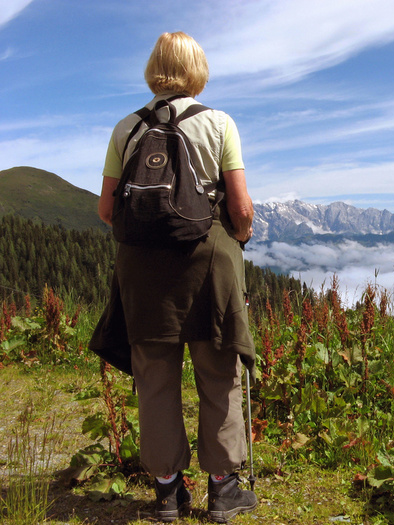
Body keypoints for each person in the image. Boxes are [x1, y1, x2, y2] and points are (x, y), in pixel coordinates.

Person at [96, 32, 257, 523]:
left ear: (153, 69)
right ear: (198, 71)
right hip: (208, 265)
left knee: (155, 377)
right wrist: (240, 236)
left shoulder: (126, 128)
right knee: (218, 372)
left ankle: (167, 493)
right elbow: (241, 207)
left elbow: (106, 209)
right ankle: (223, 488)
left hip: (142, 272)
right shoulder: (219, 123)